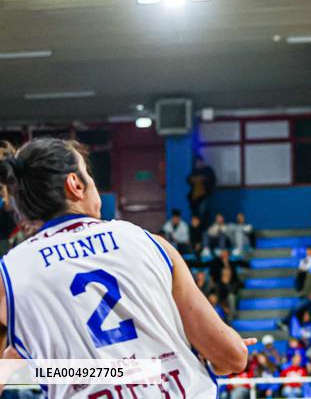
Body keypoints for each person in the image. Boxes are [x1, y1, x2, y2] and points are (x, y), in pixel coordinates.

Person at [0, 138, 251, 397]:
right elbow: (232, 358)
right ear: (75, 184)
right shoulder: (149, 242)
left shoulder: (12, 272)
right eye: (89, 174)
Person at [186, 155, 217, 222]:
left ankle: (203, 228)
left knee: (203, 213)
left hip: (205, 196)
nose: (199, 164)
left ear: (203, 162)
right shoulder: (194, 171)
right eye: (197, 162)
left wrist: (201, 179)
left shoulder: (208, 170)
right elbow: (188, 179)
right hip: (195, 199)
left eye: (200, 162)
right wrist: (196, 179)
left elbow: (212, 180)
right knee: (196, 215)